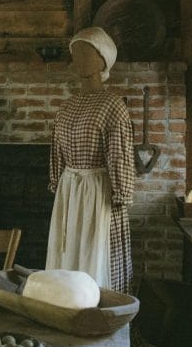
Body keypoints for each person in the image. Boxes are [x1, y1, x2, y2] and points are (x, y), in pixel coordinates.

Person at [46, 27, 135, 294]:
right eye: (75, 54)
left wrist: (121, 192)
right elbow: (56, 151)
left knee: (92, 255)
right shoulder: (68, 105)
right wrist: (57, 180)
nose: (78, 60)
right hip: (70, 190)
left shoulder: (113, 105)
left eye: (85, 53)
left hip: (98, 192)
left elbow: (120, 154)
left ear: (102, 59)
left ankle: (94, 312)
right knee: (68, 251)